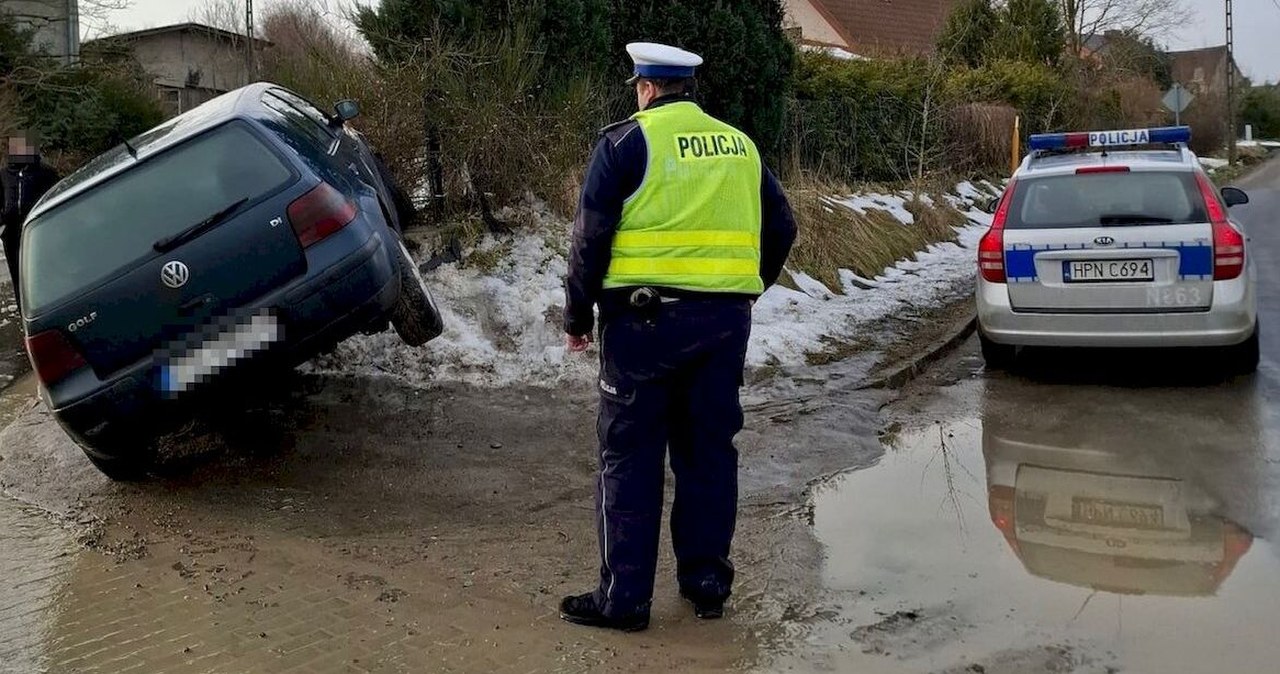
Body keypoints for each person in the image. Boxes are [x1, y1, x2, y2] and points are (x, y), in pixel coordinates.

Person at [560, 42, 797, 632]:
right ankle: (707, 586)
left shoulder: (624, 143)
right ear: (689, 88)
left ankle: (624, 600)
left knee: (629, 456)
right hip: (722, 326)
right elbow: (783, 226)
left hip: (642, 327)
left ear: (645, 88)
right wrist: (747, 289)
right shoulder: (740, 146)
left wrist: (577, 317)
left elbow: (590, 239)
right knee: (708, 455)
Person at [1, 132, 61, 312]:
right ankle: (26, 312)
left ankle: (51, 307)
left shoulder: (46, 172)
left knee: (44, 271)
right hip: (13, 236)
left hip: (40, 232)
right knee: (20, 277)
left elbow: (56, 197)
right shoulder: (4, 175)